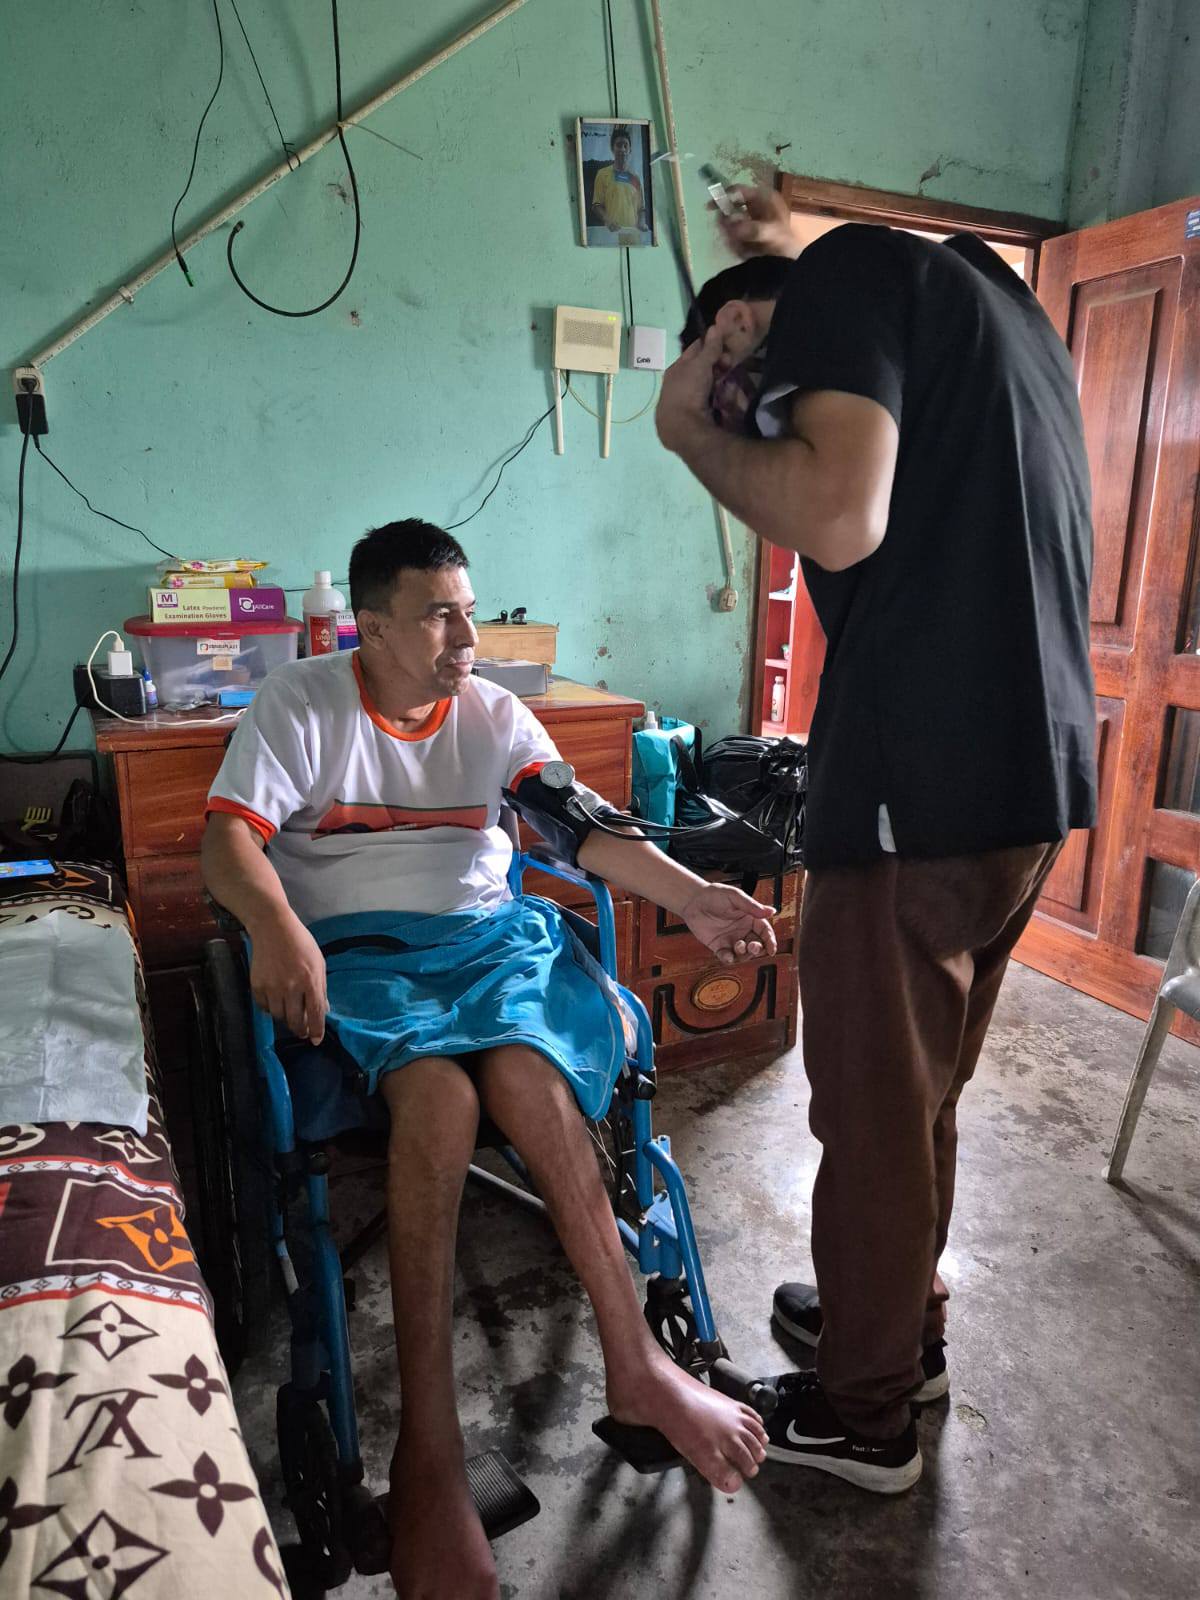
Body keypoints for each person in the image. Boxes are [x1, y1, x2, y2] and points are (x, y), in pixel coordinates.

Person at [201, 520, 773, 1600]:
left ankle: (638, 1365)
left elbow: (576, 824)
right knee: (437, 1102)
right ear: (370, 627)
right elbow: (229, 837)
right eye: (439, 616)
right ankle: (430, 1455)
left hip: (489, 939)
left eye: (469, 611)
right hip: (362, 952)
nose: (468, 637)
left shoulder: (495, 712)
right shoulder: (303, 703)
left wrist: (695, 896)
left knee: (528, 1079)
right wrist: (275, 925)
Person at [655, 189, 1096, 1494]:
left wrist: (691, 424)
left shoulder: (844, 280)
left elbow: (838, 515)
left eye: (757, 394)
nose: (761, 423)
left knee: (869, 1110)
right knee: (924, 1092)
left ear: (744, 334)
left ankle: (863, 1416)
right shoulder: (997, 306)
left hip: (916, 779)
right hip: (1028, 778)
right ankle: (900, 1334)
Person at [591, 124, 648, 238]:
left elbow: (641, 208)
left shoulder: (635, 178)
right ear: (612, 149)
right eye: (618, 145)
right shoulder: (602, 174)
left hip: (633, 234)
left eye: (625, 145)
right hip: (612, 234)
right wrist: (608, 220)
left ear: (630, 150)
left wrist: (642, 222)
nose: (622, 149)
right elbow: (596, 205)